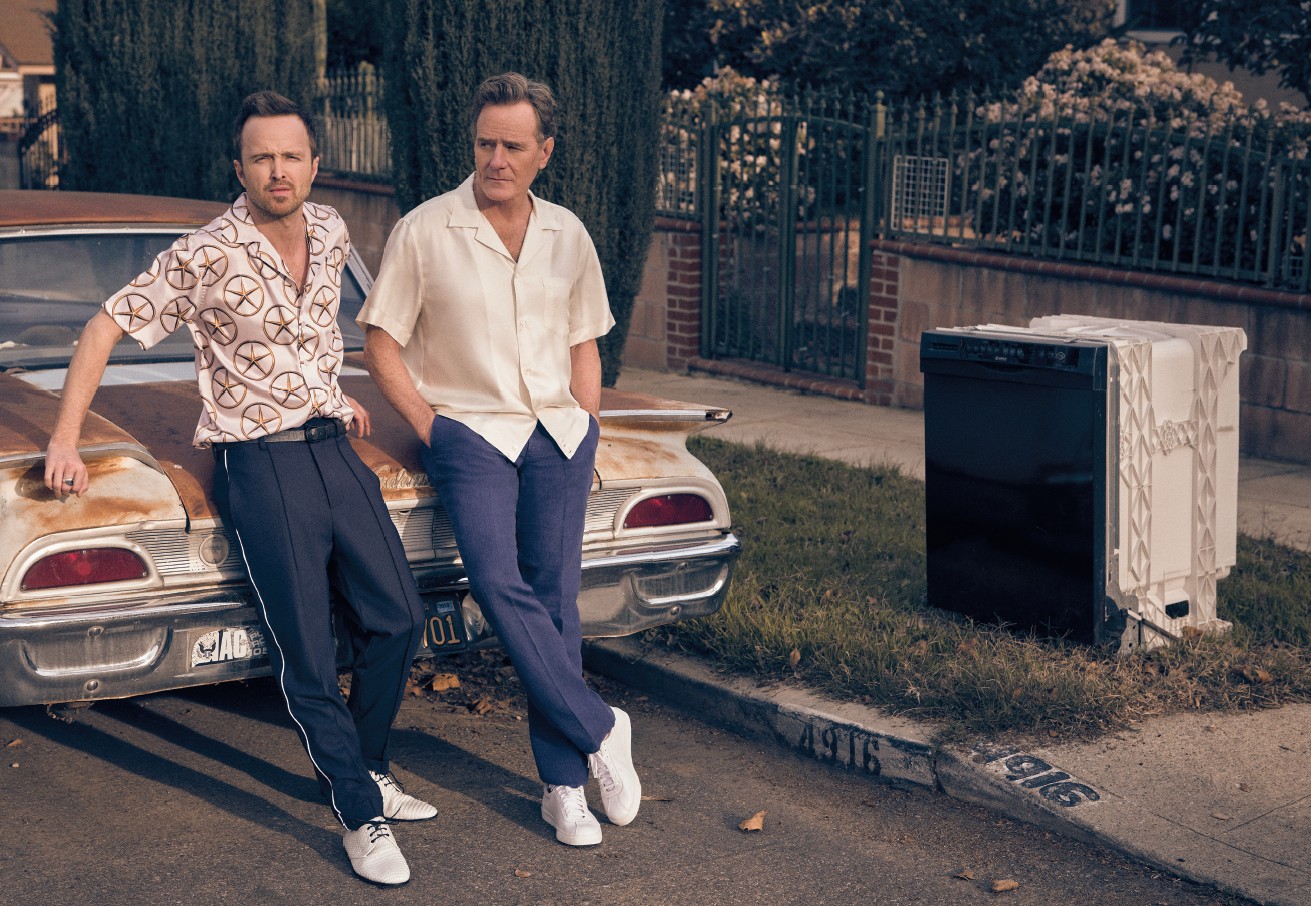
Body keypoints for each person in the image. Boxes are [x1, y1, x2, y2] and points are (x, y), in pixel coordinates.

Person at [43, 90, 432, 886]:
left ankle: (367, 768)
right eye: (261, 158)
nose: (277, 170)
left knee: (398, 617)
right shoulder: (205, 252)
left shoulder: (331, 229)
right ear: (240, 168)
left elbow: (312, 333)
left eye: (290, 156)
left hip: (334, 451)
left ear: (314, 165)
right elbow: (104, 326)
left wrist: (329, 390)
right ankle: (358, 812)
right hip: (262, 465)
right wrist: (64, 437)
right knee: (306, 652)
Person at [360, 72, 640, 847]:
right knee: (493, 581)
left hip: (558, 434)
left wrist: (586, 424)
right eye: (485, 143)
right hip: (470, 431)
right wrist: (433, 426)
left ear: (543, 151)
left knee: (555, 602)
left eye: (513, 146)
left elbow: (585, 341)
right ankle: (600, 725)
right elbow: (379, 342)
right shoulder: (425, 230)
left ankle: (563, 789)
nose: (496, 159)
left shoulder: (567, 234)